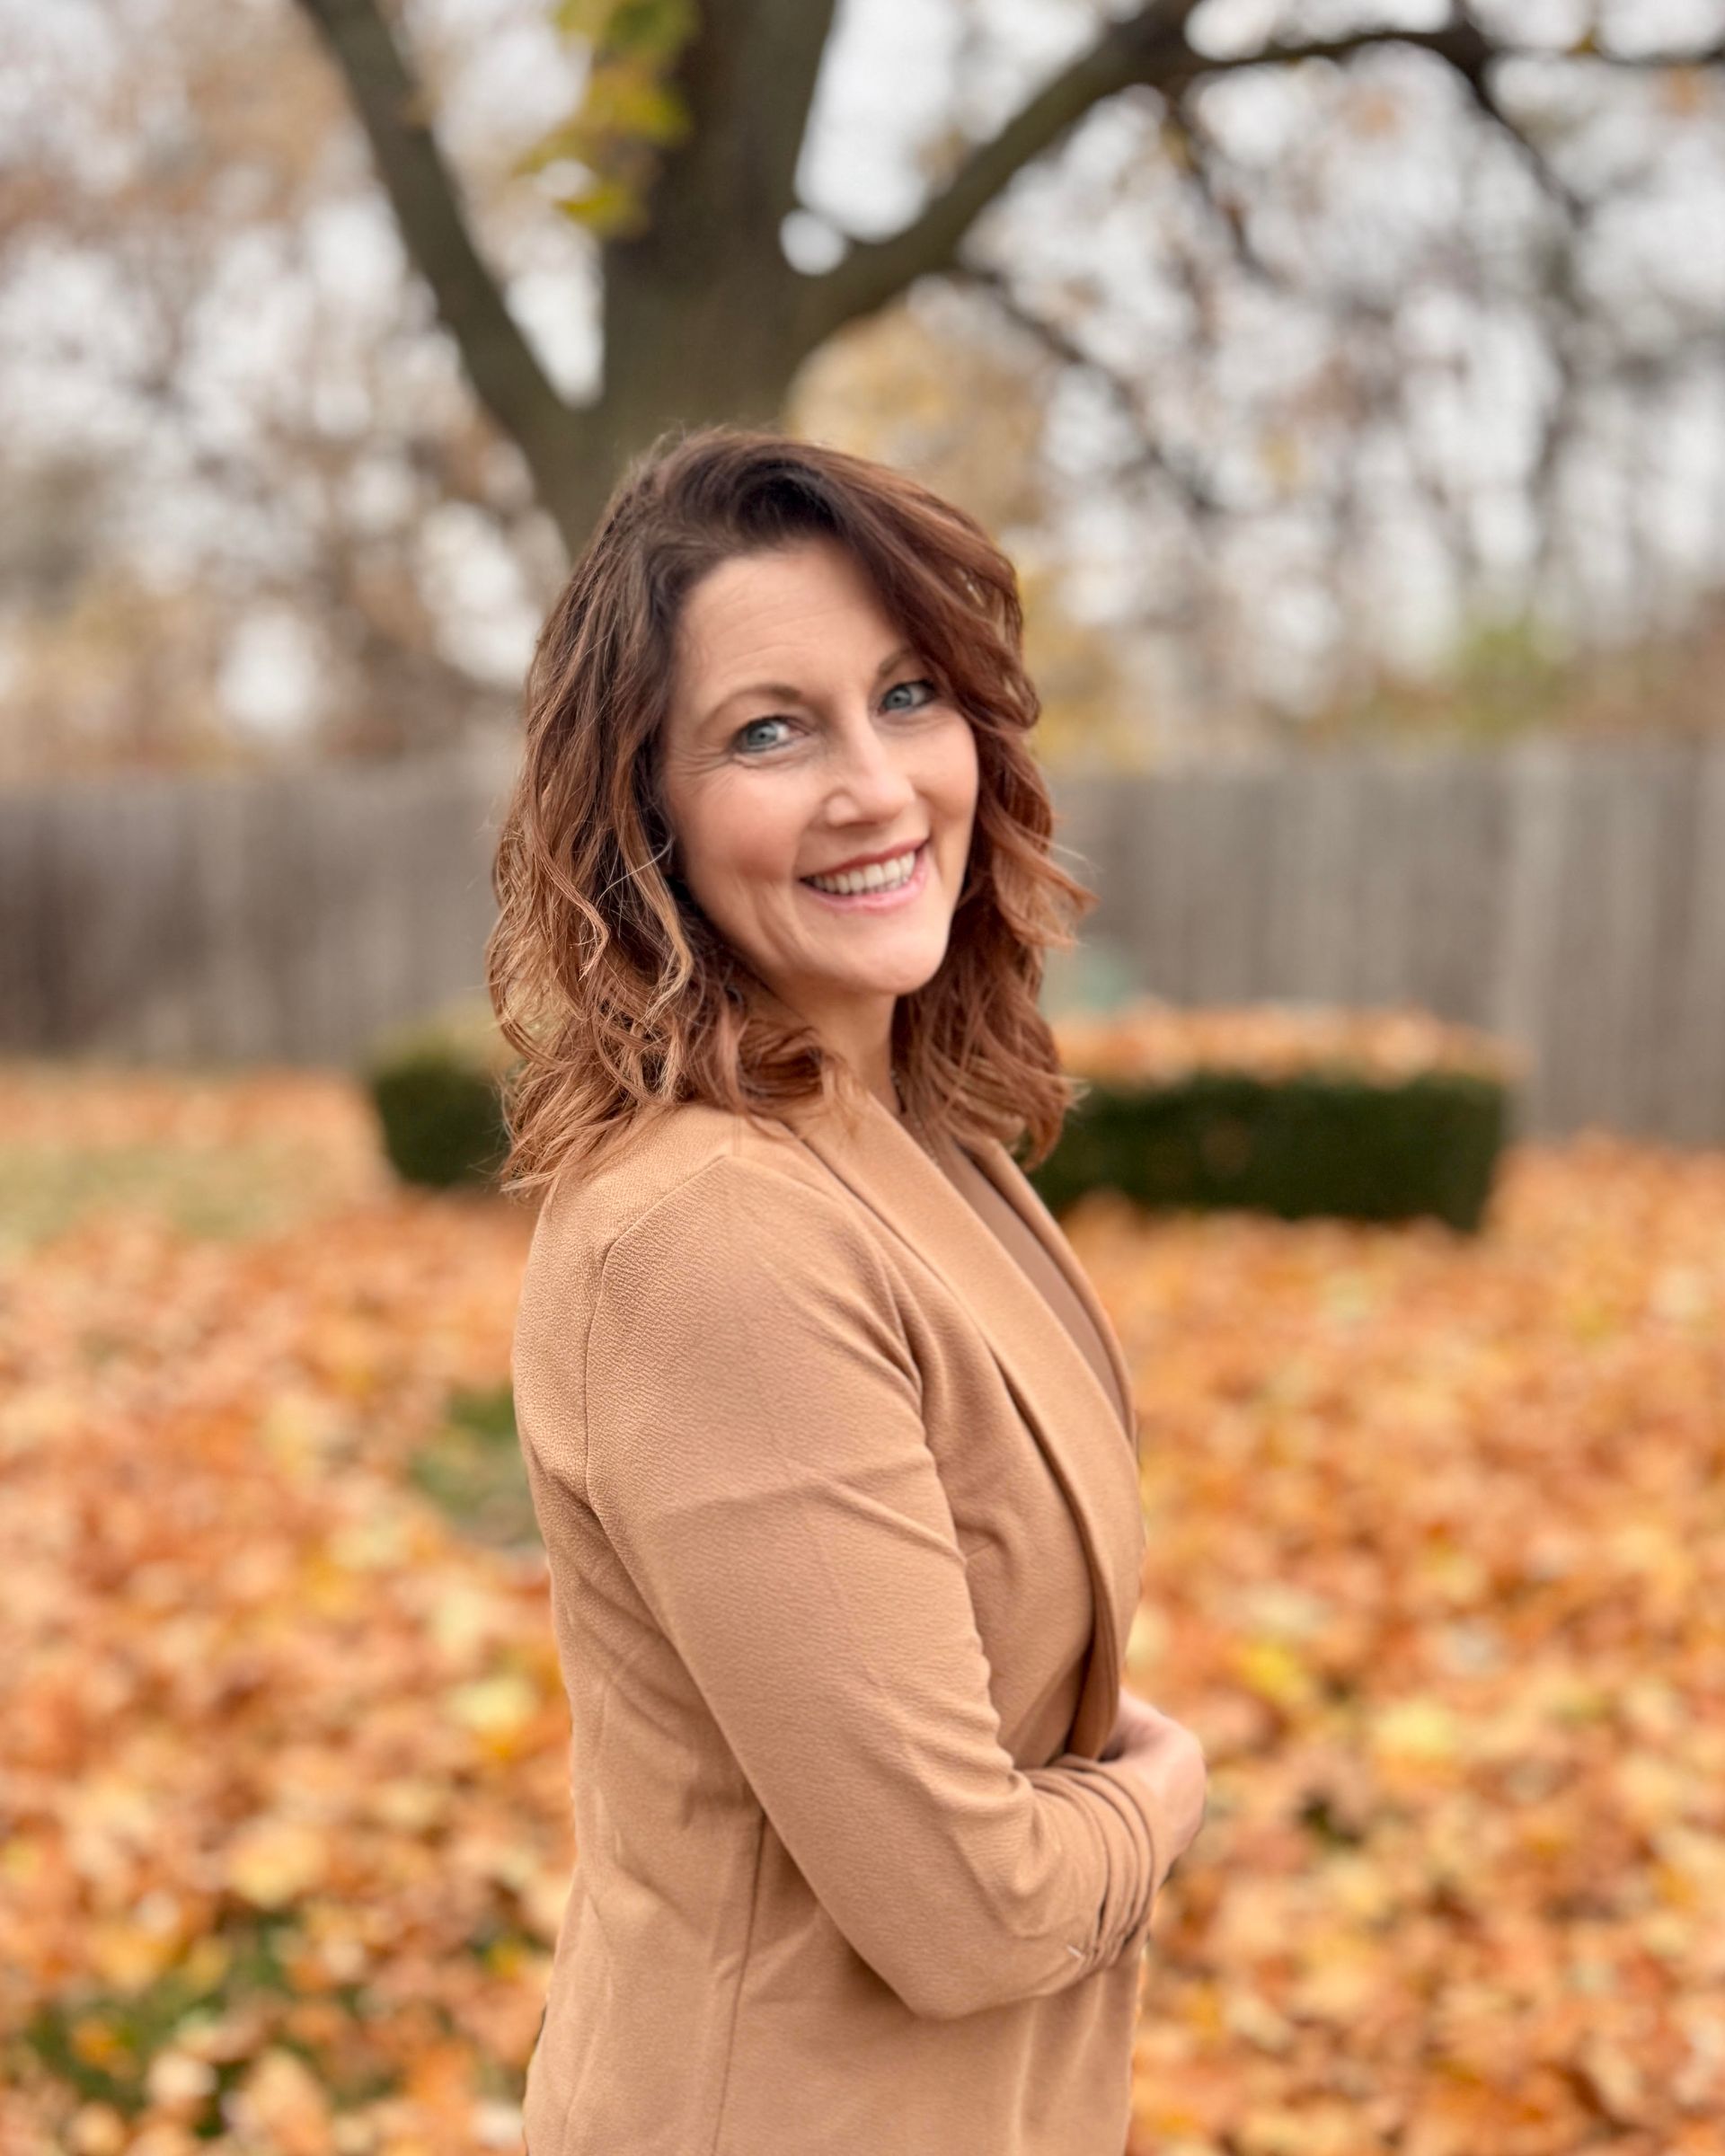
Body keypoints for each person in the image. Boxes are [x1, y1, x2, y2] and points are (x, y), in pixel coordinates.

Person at [486, 423, 1208, 2156]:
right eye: (768, 731)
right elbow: (966, 1908)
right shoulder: (712, 1239)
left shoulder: (915, 1144)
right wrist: (1160, 1803)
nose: (876, 786)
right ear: (644, 807)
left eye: (907, 698)